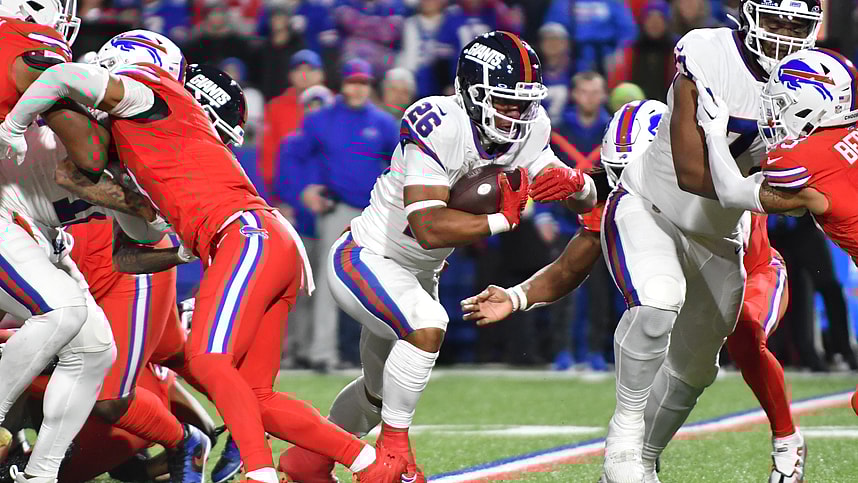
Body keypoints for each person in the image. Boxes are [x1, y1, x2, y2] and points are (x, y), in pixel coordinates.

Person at [0, 29, 411, 483]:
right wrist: (173, 242)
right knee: (257, 397)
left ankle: (259, 473)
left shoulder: (146, 92)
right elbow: (129, 254)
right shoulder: (137, 143)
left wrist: (13, 127)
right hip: (256, 238)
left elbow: (60, 80)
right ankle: (371, 463)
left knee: (207, 360)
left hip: (245, 234)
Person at [279, 30, 596, 483]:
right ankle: (392, 458)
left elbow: (565, 187)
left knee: (377, 395)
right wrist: (503, 220)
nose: (516, 114)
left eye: (523, 103)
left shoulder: (531, 127)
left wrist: (577, 186)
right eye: (504, 101)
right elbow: (428, 228)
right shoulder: (436, 121)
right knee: (429, 325)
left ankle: (306, 461)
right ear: (471, 91)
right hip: (369, 256)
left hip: (418, 272)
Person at [463, 99, 802, 483]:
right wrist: (516, 296)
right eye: (620, 174)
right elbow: (572, 264)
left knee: (736, 337)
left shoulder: (708, 165)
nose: (631, 183)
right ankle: (637, 457)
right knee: (658, 310)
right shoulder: (625, 197)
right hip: (686, 285)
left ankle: (787, 440)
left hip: (753, 270)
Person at [589, 0, 822, 481]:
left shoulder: (820, 82)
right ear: (750, 15)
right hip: (655, 207)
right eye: (776, 21)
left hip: (721, 236)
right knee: (657, 303)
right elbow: (693, 174)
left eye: (797, 25)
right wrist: (792, 197)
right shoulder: (707, 51)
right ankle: (625, 437)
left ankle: (646, 458)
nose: (785, 36)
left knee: (696, 371)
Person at [0, 4, 168, 481]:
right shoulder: (49, 61)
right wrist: (126, 188)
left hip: (32, 231)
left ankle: (41, 472)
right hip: (7, 214)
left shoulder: (144, 147)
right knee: (62, 310)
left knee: (94, 347)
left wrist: (144, 208)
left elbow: (140, 233)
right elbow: (82, 159)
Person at [293, 58, 400, 373]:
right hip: (337, 209)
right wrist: (303, 190)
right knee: (329, 284)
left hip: (375, 214)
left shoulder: (382, 122)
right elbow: (293, 155)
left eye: (364, 82)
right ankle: (322, 354)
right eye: (353, 82)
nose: (358, 88)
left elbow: (400, 163)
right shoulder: (321, 119)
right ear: (342, 84)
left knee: (382, 285)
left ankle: (390, 355)